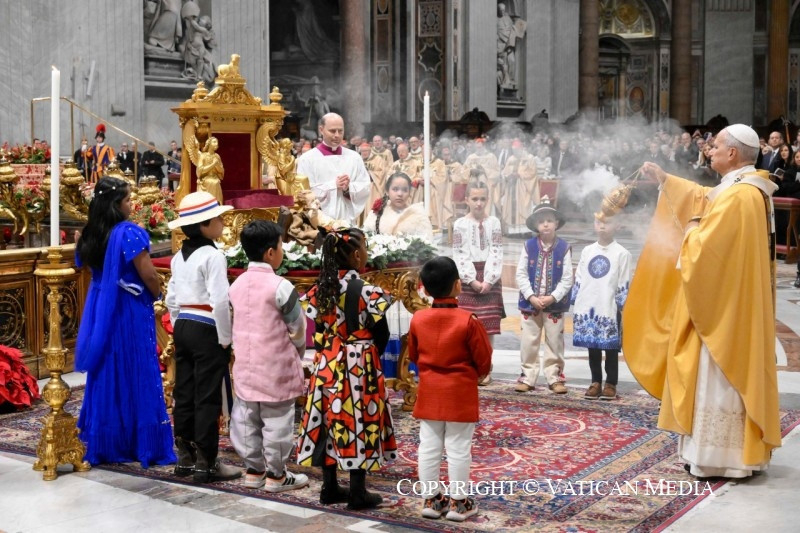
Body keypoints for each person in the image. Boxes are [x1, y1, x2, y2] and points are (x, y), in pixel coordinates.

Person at [625, 124, 781, 479]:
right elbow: (706, 197)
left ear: (733, 153)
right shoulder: (743, 189)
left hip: (723, 311)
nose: (709, 150)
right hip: (730, 303)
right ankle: (729, 455)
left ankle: (719, 458)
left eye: (716, 146)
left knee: (718, 377)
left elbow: (705, 251)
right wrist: (667, 180)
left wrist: (693, 228)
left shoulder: (741, 196)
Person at [74, 177, 176, 467]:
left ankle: (108, 441)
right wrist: (157, 294)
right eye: (128, 200)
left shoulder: (88, 233)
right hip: (127, 307)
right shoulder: (129, 233)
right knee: (136, 367)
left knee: (107, 367)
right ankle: (142, 442)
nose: (132, 204)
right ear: (115, 205)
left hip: (100, 304)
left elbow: (83, 265)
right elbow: (149, 274)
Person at [297, 227, 397, 510]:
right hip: (358, 363)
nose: (366, 253)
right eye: (364, 247)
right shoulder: (367, 291)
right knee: (359, 418)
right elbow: (382, 334)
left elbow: (318, 331)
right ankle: (357, 491)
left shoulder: (321, 289)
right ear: (355, 255)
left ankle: (329, 487)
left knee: (327, 419)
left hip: (326, 361)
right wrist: (366, 354)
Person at [408, 256, 492, 522]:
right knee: (458, 448)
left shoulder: (418, 319)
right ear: (458, 285)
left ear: (424, 288)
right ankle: (459, 503)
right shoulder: (468, 320)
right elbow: (484, 361)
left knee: (428, 447)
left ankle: (432, 500)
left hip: (429, 392)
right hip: (460, 394)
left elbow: (413, 355)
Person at [165, 191, 241, 483]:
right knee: (207, 396)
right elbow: (220, 301)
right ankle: (206, 462)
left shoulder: (178, 257)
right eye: (218, 218)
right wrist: (225, 337)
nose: (223, 222)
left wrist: (179, 324)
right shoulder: (213, 255)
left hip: (184, 324)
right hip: (207, 326)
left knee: (184, 392)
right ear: (204, 225)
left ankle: (185, 457)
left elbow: (172, 298)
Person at [229, 220, 309, 492]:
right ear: (270, 252)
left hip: (245, 365)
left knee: (246, 419)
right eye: (281, 246)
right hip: (276, 366)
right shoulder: (281, 286)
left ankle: (254, 470)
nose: (282, 251)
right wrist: (297, 352)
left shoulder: (236, 285)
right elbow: (297, 327)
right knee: (277, 421)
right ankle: (277, 475)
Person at [514, 196, 573, 394]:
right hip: (530, 303)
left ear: (556, 223)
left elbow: (567, 278)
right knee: (528, 341)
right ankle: (528, 376)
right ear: (536, 225)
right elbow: (521, 274)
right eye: (541, 221)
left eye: (549, 220)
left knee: (554, 341)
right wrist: (531, 296)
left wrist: (553, 297)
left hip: (554, 305)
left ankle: (554, 376)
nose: (545, 224)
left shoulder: (564, 248)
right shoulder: (528, 246)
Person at [570, 214, 632, 400]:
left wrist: (621, 303)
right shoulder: (587, 251)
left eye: (607, 222)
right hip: (589, 303)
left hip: (609, 305)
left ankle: (611, 383)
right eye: (599, 222)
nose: (602, 226)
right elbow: (580, 276)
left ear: (618, 225)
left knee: (611, 348)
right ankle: (595, 381)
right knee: (593, 345)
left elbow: (623, 281)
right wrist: (576, 298)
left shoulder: (622, 254)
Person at [452, 181, 502, 385]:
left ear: (487, 200)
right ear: (467, 200)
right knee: (468, 326)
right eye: (474, 199)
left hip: (490, 277)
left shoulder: (494, 223)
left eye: (482, 199)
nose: (479, 203)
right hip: (468, 278)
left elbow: (496, 250)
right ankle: (469, 367)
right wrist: (471, 279)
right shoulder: (460, 224)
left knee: (488, 328)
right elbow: (459, 253)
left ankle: (486, 367)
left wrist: (489, 279)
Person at [296, 113, 371, 224]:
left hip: (347, 222)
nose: (337, 135)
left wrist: (348, 188)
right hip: (318, 223)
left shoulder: (354, 157)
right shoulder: (307, 159)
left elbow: (365, 187)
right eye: (332, 131)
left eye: (340, 131)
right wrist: (333, 185)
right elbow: (304, 193)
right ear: (321, 130)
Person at [363, 172, 433, 240]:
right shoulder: (378, 212)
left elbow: (427, 241)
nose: (400, 194)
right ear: (387, 191)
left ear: (409, 192)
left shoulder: (417, 214)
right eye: (395, 189)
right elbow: (365, 236)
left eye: (405, 190)